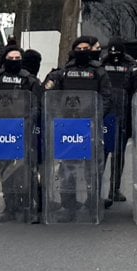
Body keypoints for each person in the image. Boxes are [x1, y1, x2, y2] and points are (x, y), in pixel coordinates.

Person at [43, 36, 112, 221]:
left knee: (92, 168)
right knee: (67, 169)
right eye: (79, 48)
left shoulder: (99, 72)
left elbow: (106, 97)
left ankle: (93, 203)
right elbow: (51, 95)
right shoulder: (64, 72)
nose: (82, 51)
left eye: (85, 48)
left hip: (90, 125)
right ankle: (68, 206)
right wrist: (59, 116)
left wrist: (96, 116)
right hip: (68, 126)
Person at [0, 46, 43, 222]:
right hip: (1, 131)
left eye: (18, 58)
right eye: (11, 57)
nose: (14, 60)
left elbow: (36, 106)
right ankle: (10, 207)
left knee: (26, 171)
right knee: (6, 171)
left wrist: (26, 123)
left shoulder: (29, 81)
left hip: (23, 131)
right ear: (5, 58)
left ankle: (28, 206)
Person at [101, 40, 135, 204]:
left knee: (119, 154)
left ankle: (114, 189)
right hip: (106, 115)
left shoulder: (130, 64)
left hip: (123, 114)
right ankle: (98, 189)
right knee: (103, 152)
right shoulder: (103, 62)